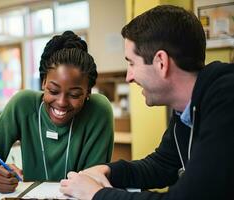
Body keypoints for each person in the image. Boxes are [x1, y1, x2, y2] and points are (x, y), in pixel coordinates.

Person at [60, 5, 234, 200]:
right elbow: (163, 165)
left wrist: (97, 195)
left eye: (132, 63)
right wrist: (108, 170)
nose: (129, 77)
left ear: (161, 62)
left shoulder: (226, 101)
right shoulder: (187, 109)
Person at [0, 31, 114, 193]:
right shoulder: (23, 104)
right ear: (43, 82)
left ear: (88, 93)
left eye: (74, 95)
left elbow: (92, 182)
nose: (62, 103)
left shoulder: (98, 110)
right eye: (53, 90)